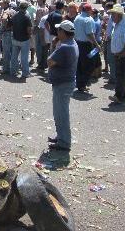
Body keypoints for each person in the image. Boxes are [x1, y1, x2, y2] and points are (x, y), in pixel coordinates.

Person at [47, 20, 79, 152]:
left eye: (59, 30)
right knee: (59, 113)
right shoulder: (72, 43)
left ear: (62, 32)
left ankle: (64, 142)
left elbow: (49, 61)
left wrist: (54, 45)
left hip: (63, 83)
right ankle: (61, 137)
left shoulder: (65, 47)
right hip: (66, 81)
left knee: (61, 114)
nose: (57, 32)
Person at [106, 4, 125, 104]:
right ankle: (123, 96)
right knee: (121, 75)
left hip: (124, 55)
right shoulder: (118, 25)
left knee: (121, 76)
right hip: (119, 54)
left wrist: (122, 52)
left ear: (119, 15)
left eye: (113, 15)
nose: (112, 17)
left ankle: (118, 96)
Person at [73, 3, 99, 93]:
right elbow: (90, 34)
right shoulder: (89, 19)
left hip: (78, 43)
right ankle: (83, 84)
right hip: (87, 45)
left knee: (80, 64)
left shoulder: (77, 18)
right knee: (90, 64)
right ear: (88, 10)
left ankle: (80, 84)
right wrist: (96, 44)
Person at [9, 0, 32, 78]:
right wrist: (30, 36)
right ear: (26, 8)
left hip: (15, 38)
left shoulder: (15, 15)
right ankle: (25, 73)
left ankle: (13, 71)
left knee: (14, 57)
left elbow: (11, 27)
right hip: (24, 39)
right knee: (24, 58)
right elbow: (29, 29)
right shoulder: (27, 16)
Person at [0, 0, 15, 74]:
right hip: (12, 33)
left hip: (6, 33)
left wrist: (2, 28)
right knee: (12, 52)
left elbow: (4, 19)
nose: (1, 4)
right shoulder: (13, 11)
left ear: (6, 4)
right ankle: (13, 68)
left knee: (6, 52)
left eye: (2, 3)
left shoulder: (6, 11)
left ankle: (6, 69)